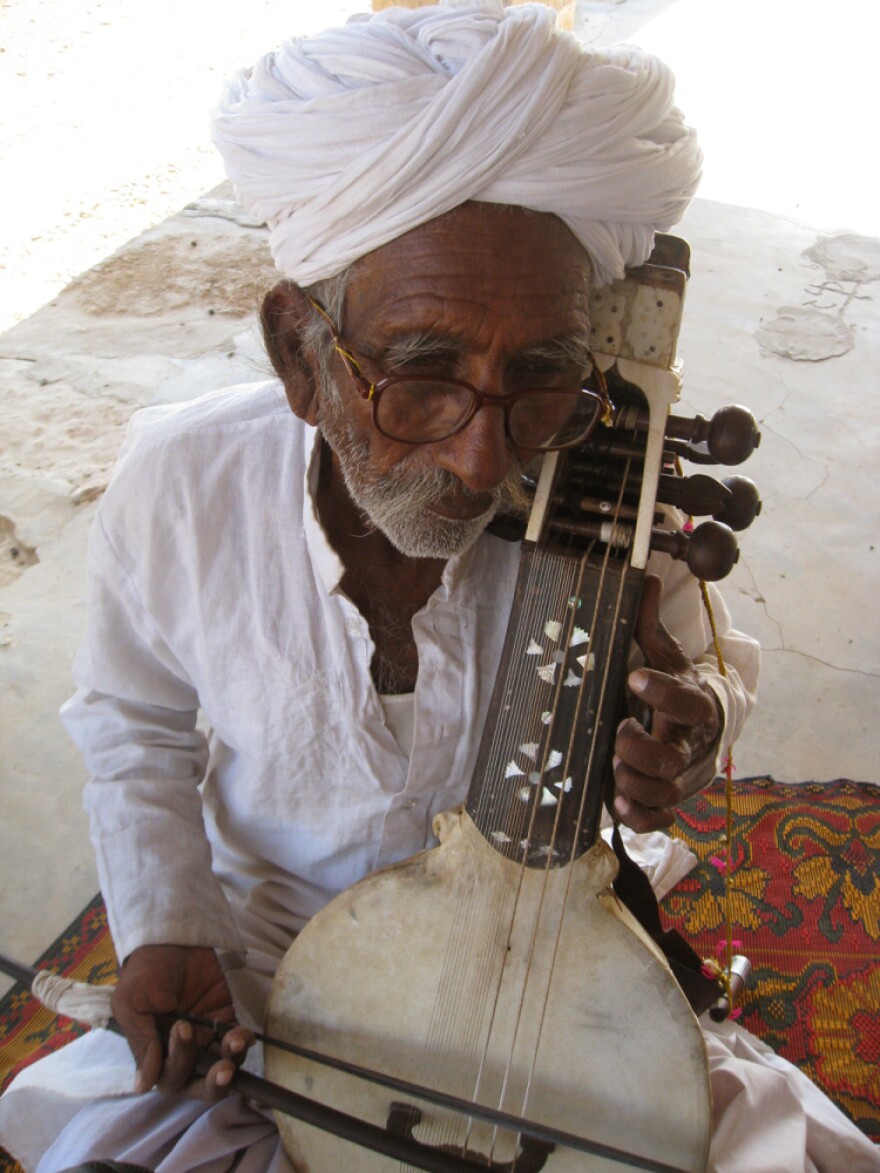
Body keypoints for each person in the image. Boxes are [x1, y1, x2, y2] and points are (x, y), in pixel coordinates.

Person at [0, 4, 876, 1171]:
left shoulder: (596, 492)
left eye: (541, 376)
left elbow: (704, 662)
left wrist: (698, 719)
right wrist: (166, 926)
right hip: (268, 956)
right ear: (300, 356)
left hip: (545, 963)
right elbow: (135, 722)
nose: (482, 456)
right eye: (420, 373)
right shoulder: (181, 484)